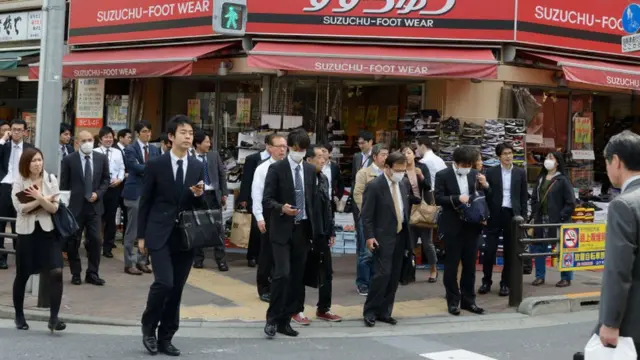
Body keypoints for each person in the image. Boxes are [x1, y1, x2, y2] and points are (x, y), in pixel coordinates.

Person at [138, 115, 205, 356]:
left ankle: (166, 336)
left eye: (191, 133)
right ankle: (149, 325)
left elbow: (202, 203)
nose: (188, 137)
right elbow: (145, 201)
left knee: (176, 288)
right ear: (171, 136)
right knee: (164, 283)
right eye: (184, 132)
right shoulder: (156, 164)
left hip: (185, 235)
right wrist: (141, 236)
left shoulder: (198, 165)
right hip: (159, 232)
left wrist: (198, 194)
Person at [262, 130, 315, 338]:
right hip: (282, 229)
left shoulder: (310, 170)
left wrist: (321, 231)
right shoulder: (276, 169)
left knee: (296, 277)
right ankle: (272, 319)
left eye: (303, 150)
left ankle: (285, 320)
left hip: (302, 229)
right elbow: (267, 199)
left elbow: (312, 201)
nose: (299, 153)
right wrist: (280, 207)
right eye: (296, 149)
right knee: (282, 273)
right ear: (289, 147)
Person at [11, 148, 65, 332]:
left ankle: (54, 318)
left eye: (40, 160)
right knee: (23, 274)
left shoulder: (50, 179)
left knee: (56, 272)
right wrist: (41, 200)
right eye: (33, 160)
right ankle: (19, 315)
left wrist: (40, 198)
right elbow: (21, 208)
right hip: (27, 233)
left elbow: (54, 208)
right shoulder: (20, 180)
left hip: (48, 232)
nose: (37, 164)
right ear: (26, 163)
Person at [361, 151, 416, 327]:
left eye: (404, 169)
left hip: (400, 236)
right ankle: (370, 311)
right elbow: (366, 215)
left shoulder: (403, 184)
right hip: (382, 237)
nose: (401, 172)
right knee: (382, 274)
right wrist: (369, 236)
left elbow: (404, 210)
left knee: (393, 276)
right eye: (398, 169)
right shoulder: (375, 186)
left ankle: (385, 311)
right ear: (387, 167)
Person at [596, 130, 640, 350]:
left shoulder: (623, 205)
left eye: (606, 162)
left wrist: (611, 322)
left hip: (633, 320)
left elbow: (618, 268)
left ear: (616, 161)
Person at [435, 146, 485, 316]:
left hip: (472, 226)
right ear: (456, 163)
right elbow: (438, 198)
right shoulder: (443, 175)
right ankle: (453, 301)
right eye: (465, 164)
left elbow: (483, 197)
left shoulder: (473, 175)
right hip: (452, 225)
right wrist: (457, 198)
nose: (468, 167)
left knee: (470, 265)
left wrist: (485, 185)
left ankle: (469, 300)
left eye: (470, 164)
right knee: (451, 266)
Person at [60, 130, 110, 286]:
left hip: (94, 206)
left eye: (90, 140)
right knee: (73, 241)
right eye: (84, 140)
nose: (88, 143)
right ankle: (76, 273)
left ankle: (92, 273)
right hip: (75, 208)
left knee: (95, 240)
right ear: (77, 142)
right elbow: (64, 184)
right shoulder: (69, 160)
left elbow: (105, 179)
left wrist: (99, 193)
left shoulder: (101, 158)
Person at [479, 143, 528, 297]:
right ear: (499, 156)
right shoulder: (491, 172)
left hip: (512, 215)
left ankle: (505, 283)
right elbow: (487, 196)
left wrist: (524, 218)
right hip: (495, 213)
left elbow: (523, 197)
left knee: (510, 251)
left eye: (510, 153)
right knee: (489, 250)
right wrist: (486, 187)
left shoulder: (520, 173)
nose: (508, 156)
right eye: (505, 153)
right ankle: (486, 280)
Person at [306, 145, 342, 322]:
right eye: (319, 157)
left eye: (324, 156)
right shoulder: (303, 179)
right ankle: (295, 309)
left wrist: (331, 230)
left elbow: (328, 206)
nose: (323, 159)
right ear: (309, 160)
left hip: (322, 232)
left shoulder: (324, 179)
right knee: (301, 272)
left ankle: (323, 308)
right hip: (305, 232)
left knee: (326, 271)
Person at [530, 152, 575, 287]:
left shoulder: (563, 180)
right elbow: (534, 198)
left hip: (558, 220)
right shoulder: (540, 179)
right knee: (539, 247)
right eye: (547, 157)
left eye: (551, 158)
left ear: (557, 162)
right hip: (541, 218)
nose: (547, 160)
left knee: (563, 248)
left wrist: (561, 216)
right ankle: (539, 276)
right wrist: (533, 212)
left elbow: (571, 202)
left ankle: (566, 277)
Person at [251, 134, 287, 303]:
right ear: (269, 148)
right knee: (266, 252)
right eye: (279, 146)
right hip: (268, 213)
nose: (282, 150)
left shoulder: (289, 167)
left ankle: (278, 285)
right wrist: (259, 217)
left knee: (282, 252)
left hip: (286, 214)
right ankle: (264, 287)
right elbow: (256, 194)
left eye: (284, 146)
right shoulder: (263, 168)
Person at [122, 120, 160, 275]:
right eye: (144, 131)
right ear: (138, 133)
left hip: (150, 193)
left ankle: (142, 260)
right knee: (133, 229)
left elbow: (158, 166)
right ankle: (129, 262)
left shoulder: (154, 149)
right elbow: (134, 167)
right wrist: (150, 169)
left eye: (149, 131)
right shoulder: (130, 149)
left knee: (147, 228)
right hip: (135, 193)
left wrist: (149, 169)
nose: (148, 134)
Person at [352, 144, 389, 296]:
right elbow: (357, 194)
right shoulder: (364, 173)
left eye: (388, 154)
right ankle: (362, 283)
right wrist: (368, 211)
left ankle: (376, 281)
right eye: (383, 154)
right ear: (374, 157)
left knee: (381, 251)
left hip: (385, 219)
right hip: (368, 219)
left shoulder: (389, 173)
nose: (386, 157)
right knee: (366, 252)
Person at [192, 129, 229, 271]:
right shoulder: (190, 157)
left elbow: (222, 175)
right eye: (207, 141)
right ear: (198, 143)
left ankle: (221, 260)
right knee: (198, 227)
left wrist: (224, 193)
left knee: (218, 228)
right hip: (198, 196)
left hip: (213, 195)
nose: (209, 144)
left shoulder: (214, 156)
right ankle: (198, 259)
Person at [400, 146, 437, 283]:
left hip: (423, 209)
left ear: (414, 155)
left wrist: (421, 175)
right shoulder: (400, 169)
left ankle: (433, 269)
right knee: (411, 243)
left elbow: (428, 186)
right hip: (408, 209)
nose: (406, 155)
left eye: (409, 152)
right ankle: (410, 272)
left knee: (427, 243)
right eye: (404, 153)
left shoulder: (422, 167)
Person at [0, 119, 33, 270]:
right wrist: (2, 140)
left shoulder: (29, 148)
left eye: (20, 130)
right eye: (14, 129)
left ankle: (19, 256)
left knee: (19, 223)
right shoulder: (4, 146)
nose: (16, 132)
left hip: (21, 188)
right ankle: (2, 257)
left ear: (25, 132)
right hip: (5, 187)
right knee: (1, 222)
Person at [238, 137, 272, 268]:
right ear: (267, 145)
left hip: (270, 198)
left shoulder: (280, 160)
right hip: (255, 197)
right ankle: (252, 256)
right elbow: (246, 180)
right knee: (255, 227)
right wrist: (243, 198)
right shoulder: (253, 159)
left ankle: (264, 255)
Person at [94, 126, 125, 259]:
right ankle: (93, 245)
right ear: (100, 139)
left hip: (113, 189)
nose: (108, 139)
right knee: (96, 217)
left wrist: (120, 179)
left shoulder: (117, 152)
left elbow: (122, 168)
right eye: (106, 137)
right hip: (99, 189)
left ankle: (108, 247)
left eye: (110, 137)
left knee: (110, 218)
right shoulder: (95, 152)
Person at [321, 143, 345, 212]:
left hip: (330, 201)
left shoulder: (334, 167)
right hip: (317, 201)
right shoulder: (315, 166)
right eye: (320, 151)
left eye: (324, 151)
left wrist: (338, 196)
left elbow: (341, 183)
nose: (322, 153)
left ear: (330, 153)